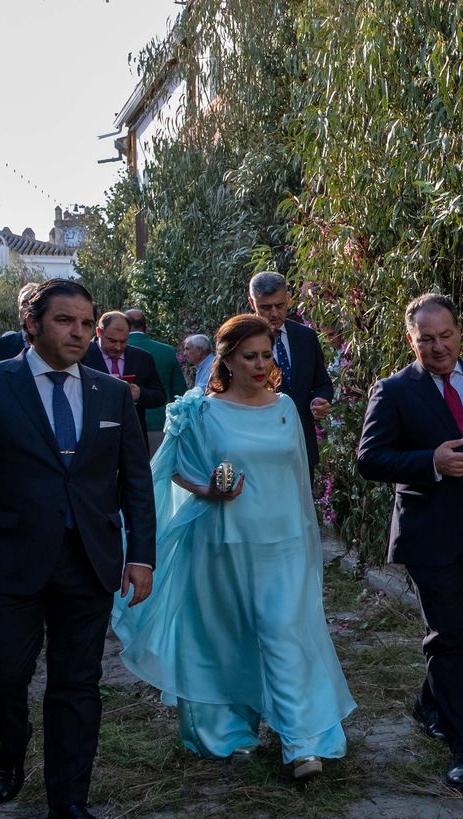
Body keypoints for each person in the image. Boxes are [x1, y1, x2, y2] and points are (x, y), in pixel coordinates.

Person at [0, 278, 155, 819]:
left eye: (85, 322)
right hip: (6, 562)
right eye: (64, 321)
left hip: (88, 560)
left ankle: (68, 805)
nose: (78, 332)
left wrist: (141, 556)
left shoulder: (110, 395)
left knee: (78, 685)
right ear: (33, 323)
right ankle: (11, 741)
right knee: (2, 675)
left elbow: (136, 484)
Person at [113, 314, 355, 780]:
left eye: (266, 355)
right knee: (225, 636)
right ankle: (230, 732)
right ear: (227, 359)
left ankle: (301, 741)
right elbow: (176, 469)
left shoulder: (286, 406)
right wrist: (209, 491)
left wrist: (310, 541)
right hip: (221, 541)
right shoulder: (202, 410)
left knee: (283, 631)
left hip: (282, 540)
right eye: (250, 356)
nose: (261, 364)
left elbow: (298, 478)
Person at [355, 293, 463, 790]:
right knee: (448, 637)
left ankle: (427, 703)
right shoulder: (392, 392)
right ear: (411, 341)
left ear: (460, 332)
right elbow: (370, 459)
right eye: (426, 339)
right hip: (429, 534)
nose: (437, 347)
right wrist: (430, 461)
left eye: (445, 336)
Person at [248, 272, 333, 482]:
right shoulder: (241, 342)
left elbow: (322, 383)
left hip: (302, 447)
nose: (274, 313)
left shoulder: (306, 337)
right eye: (265, 308)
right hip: (258, 450)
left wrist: (319, 400)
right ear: (252, 303)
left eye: (279, 305)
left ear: (288, 299)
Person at [83, 310, 166, 438]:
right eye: (112, 341)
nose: (118, 347)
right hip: (92, 437)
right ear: (99, 332)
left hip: (132, 437)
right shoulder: (81, 356)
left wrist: (139, 394)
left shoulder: (142, 358)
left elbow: (160, 396)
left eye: (123, 341)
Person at [124, 308, 188, 456]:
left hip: (125, 423)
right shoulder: (166, 351)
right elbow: (180, 392)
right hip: (161, 422)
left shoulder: (113, 350)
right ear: (145, 327)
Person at [0, 283, 39, 364]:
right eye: (25, 304)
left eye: (35, 303)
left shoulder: (57, 347)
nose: (30, 308)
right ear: (19, 312)